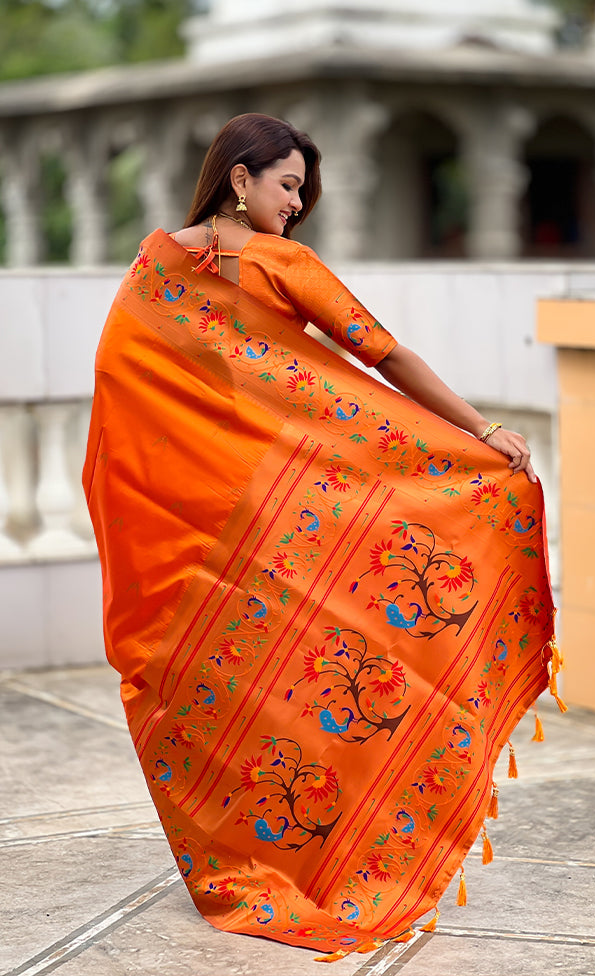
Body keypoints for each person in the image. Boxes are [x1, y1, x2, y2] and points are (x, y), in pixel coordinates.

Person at [83, 113, 561, 961]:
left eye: (302, 191)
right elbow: (387, 357)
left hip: (195, 535)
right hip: (256, 517)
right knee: (301, 671)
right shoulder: (276, 264)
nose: (296, 206)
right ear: (239, 178)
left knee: (242, 684)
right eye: (288, 185)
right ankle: (320, 850)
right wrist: (478, 430)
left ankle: (266, 850)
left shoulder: (152, 268)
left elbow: (123, 387)